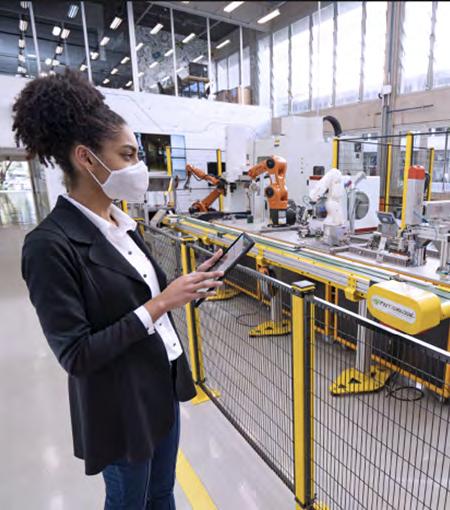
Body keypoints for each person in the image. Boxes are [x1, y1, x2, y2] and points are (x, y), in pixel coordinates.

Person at [14, 69, 223, 509]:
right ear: (86, 159)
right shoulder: (49, 246)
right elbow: (77, 354)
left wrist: (190, 286)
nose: (138, 167)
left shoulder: (122, 224)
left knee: (161, 493)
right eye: (127, 155)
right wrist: (161, 303)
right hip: (119, 404)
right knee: (129, 500)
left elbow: (145, 296)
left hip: (160, 384)